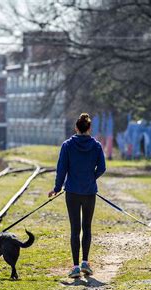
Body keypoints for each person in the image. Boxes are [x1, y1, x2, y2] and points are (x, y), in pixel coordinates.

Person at [48, 113, 106, 278]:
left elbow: (62, 169)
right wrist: (90, 179)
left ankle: (74, 267)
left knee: (75, 229)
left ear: (76, 128)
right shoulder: (96, 146)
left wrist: (57, 188)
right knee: (87, 228)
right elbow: (102, 168)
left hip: (72, 192)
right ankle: (85, 262)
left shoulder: (67, 146)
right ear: (89, 128)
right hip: (89, 192)